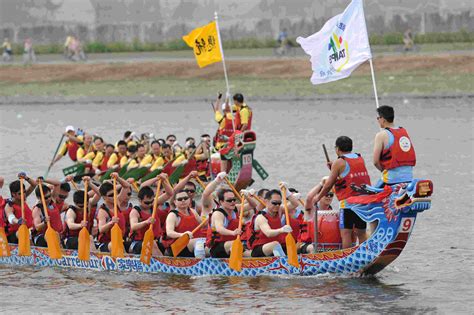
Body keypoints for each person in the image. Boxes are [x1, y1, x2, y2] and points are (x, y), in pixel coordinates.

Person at [313, 136, 371, 249]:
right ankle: (365, 254)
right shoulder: (359, 158)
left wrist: (318, 197)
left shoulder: (339, 162)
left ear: (337, 149)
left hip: (348, 203)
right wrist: (334, 168)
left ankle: (347, 259)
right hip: (363, 201)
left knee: (346, 233)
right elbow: (347, 176)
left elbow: (329, 185)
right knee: (361, 232)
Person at [373, 105, 416, 188]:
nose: (377, 120)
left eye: (378, 118)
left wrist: (383, 170)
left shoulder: (381, 135)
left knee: (372, 195)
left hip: (392, 180)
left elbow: (375, 162)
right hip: (408, 178)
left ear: (383, 119)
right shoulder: (403, 131)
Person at [247, 189, 291, 257]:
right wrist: (282, 230)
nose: (277, 205)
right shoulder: (261, 217)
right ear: (266, 201)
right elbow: (268, 233)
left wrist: (287, 191)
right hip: (260, 249)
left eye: (279, 203)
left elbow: (295, 204)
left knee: (288, 246)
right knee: (275, 244)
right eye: (274, 203)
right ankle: (284, 264)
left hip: (276, 246)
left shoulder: (279, 213)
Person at [162, 189, 204, 257]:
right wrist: (183, 235)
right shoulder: (173, 215)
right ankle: (200, 263)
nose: (183, 200)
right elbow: (169, 233)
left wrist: (211, 215)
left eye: (185, 198)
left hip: (193, 244)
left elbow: (203, 225)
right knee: (199, 243)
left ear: (189, 200)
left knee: (206, 244)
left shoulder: (193, 211)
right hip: (176, 248)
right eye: (180, 199)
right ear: (175, 202)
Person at [96, 174, 129, 252]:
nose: (114, 196)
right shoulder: (102, 211)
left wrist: (118, 178)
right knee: (115, 244)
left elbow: (127, 186)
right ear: (104, 197)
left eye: (115, 193)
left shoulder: (117, 203)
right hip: (106, 244)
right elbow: (101, 229)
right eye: (111, 195)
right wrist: (111, 222)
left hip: (121, 240)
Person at [128, 186, 164, 256]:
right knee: (151, 243)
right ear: (140, 200)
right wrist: (146, 222)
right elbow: (133, 226)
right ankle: (163, 264)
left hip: (154, 241)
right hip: (137, 243)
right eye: (147, 203)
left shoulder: (153, 207)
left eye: (151, 202)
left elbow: (170, 193)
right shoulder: (135, 211)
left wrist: (164, 180)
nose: (150, 204)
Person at [3, 173, 36, 243]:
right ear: (13, 194)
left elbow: (34, 185)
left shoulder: (23, 198)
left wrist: (26, 178)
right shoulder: (9, 205)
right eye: (20, 193)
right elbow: (10, 218)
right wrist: (18, 221)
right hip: (13, 236)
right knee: (23, 233)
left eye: (24, 192)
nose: (23, 195)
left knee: (28, 233)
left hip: (27, 232)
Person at [31, 181, 64, 247]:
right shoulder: (37, 209)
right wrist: (44, 222)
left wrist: (44, 180)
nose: (49, 199)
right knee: (54, 236)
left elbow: (57, 184)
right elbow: (37, 227)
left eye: (49, 196)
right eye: (45, 198)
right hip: (41, 237)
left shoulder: (53, 201)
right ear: (39, 198)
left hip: (56, 235)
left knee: (56, 235)